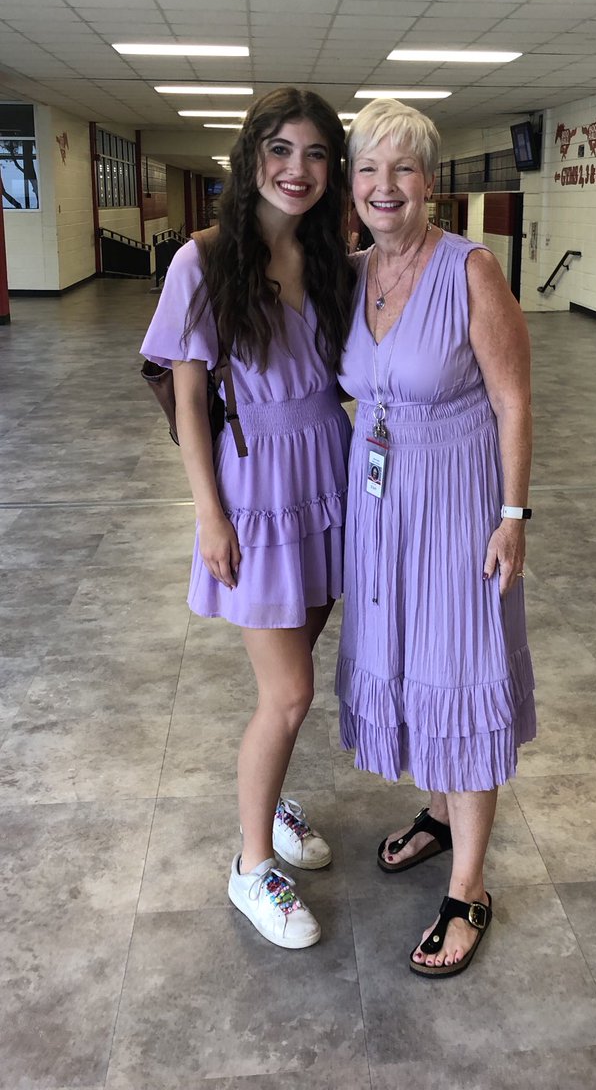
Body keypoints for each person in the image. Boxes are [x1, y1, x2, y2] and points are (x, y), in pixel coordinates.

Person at [141, 87, 354, 950]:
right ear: (250, 157)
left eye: (313, 154)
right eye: (279, 150)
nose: (296, 170)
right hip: (256, 480)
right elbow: (189, 399)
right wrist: (208, 512)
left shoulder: (332, 254)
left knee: (296, 679)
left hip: (327, 469)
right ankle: (248, 862)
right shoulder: (200, 261)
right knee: (289, 689)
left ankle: (272, 800)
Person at [336, 99, 536, 979]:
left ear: (431, 182)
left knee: (459, 669)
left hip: (456, 501)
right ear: (352, 186)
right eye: (368, 170)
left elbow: (513, 400)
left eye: (403, 170)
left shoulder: (470, 269)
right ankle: (439, 808)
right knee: (412, 657)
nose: (385, 187)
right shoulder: (352, 273)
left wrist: (513, 516)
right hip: (381, 503)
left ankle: (469, 886)